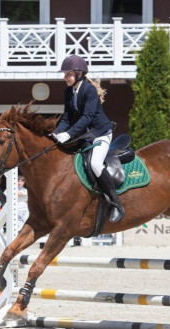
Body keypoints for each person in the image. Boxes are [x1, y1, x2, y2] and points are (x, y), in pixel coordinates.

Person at [51, 55, 124, 223]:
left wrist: (68, 134)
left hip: (100, 133)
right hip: (85, 136)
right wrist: (56, 133)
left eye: (68, 74)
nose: (64, 77)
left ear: (79, 74)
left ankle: (116, 204)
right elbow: (67, 117)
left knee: (95, 164)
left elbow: (88, 117)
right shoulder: (68, 91)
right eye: (65, 74)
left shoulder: (88, 90)